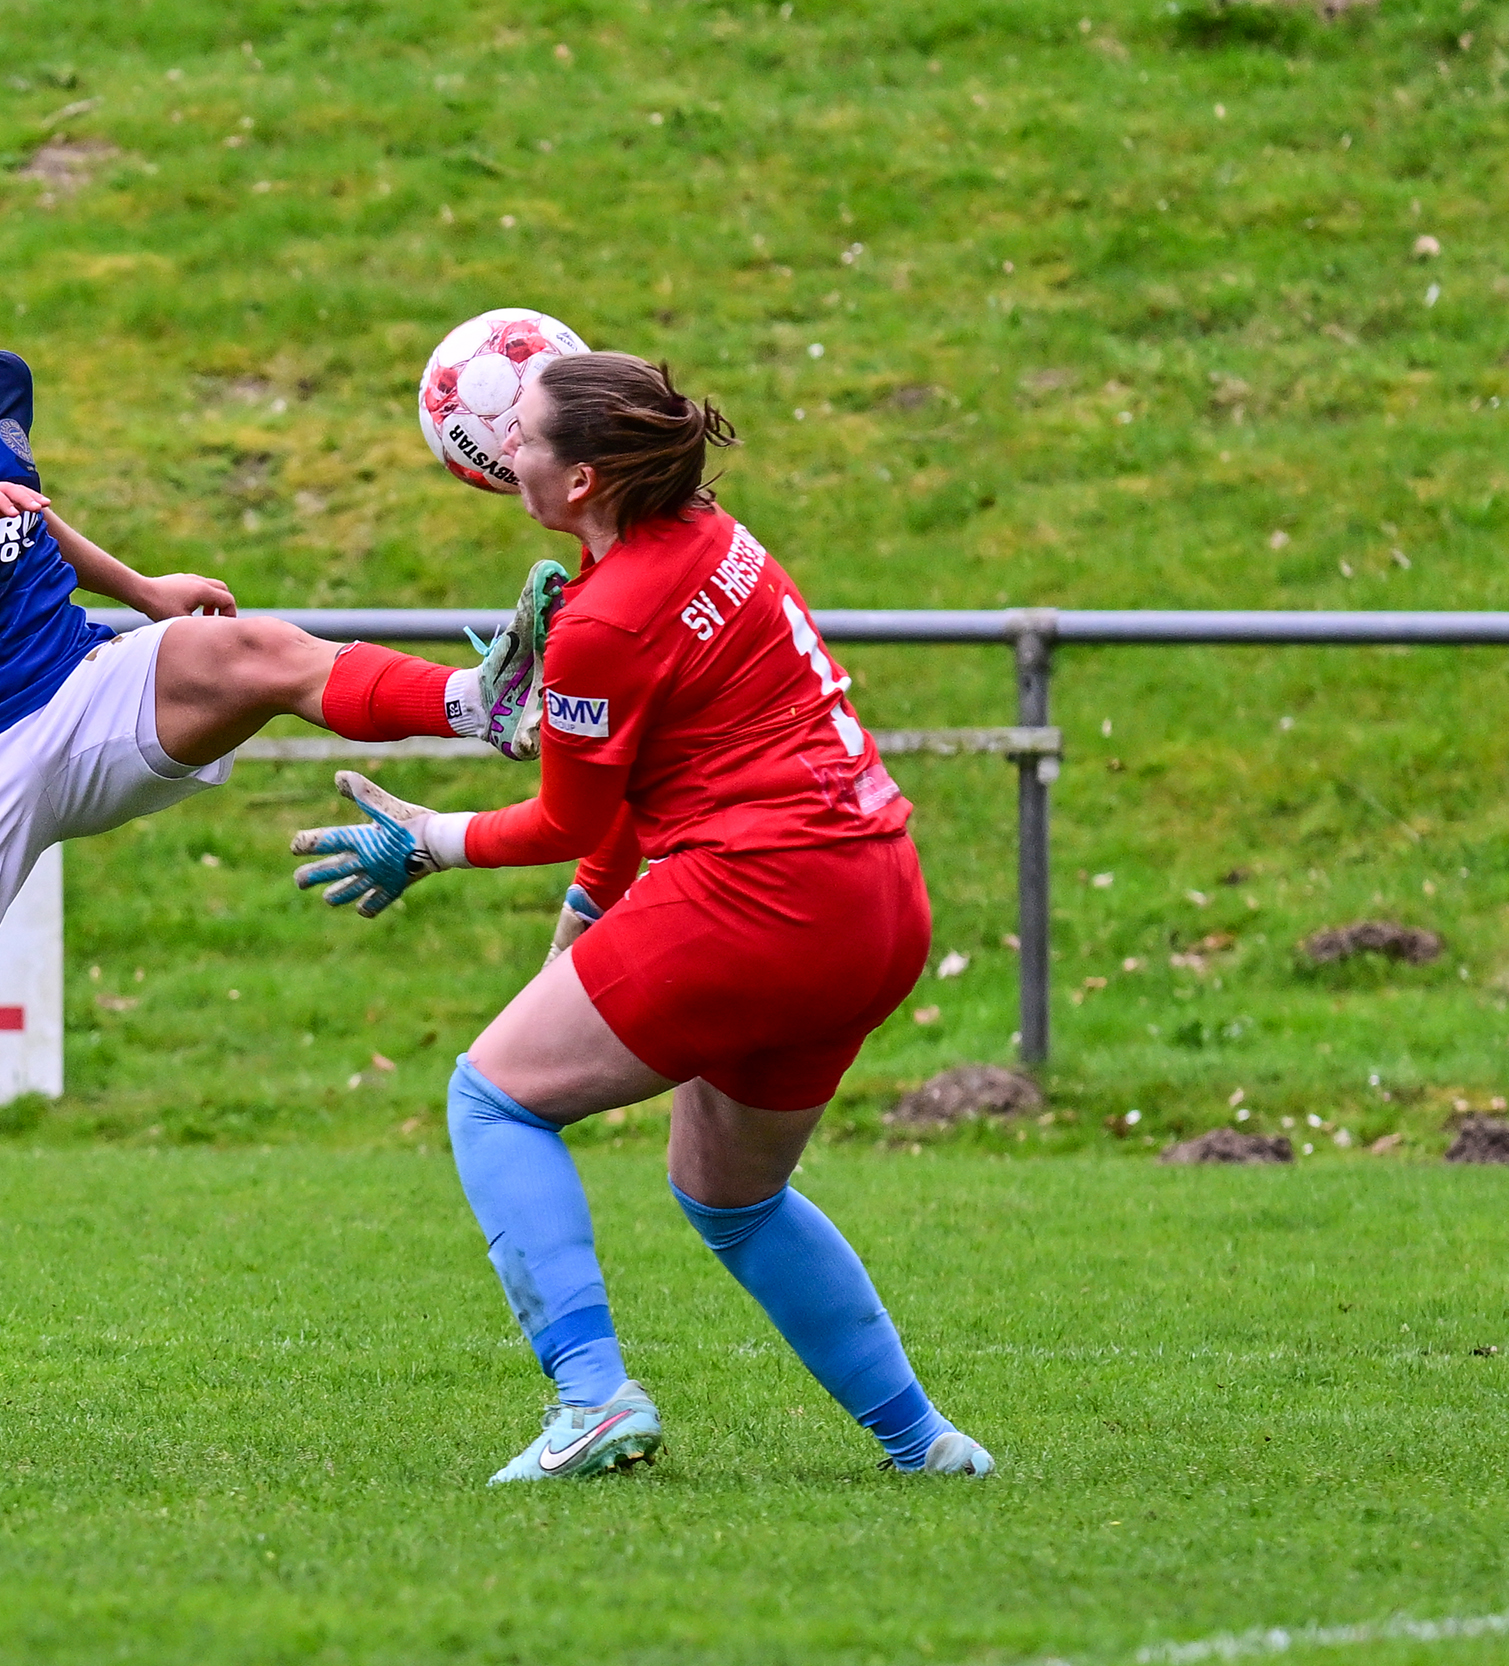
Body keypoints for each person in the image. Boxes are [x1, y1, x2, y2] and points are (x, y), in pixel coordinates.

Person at [0, 172, 559, 1456]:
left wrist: (141, 586)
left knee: (246, 651)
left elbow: (29, 515)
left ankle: (481, 703)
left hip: (70, 683)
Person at [292, 352, 994, 1483]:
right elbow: (635, 786)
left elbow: (562, 815)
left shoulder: (602, 622)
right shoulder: (713, 536)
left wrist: (426, 837)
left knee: (494, 1098)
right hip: (876, 892)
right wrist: (591, 903)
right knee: (733, 1196)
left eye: (519, 434)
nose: (501, 450)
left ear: (582, 480)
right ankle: (927, 1444)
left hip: (760, 895)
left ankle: (591, 1398)